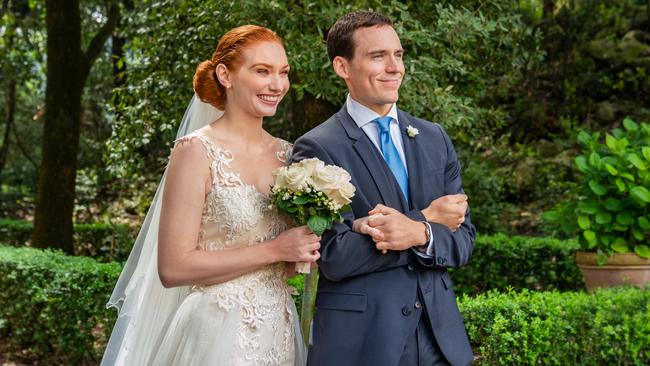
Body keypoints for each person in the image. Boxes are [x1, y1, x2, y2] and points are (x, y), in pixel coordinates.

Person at [101, 25, 318, 366]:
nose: (277, 85)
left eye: (283, 72)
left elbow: (289, 257)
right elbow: (173, 267)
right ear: (225, 75)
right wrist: (275, 249)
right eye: (262, 71)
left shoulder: (290, 157)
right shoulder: (196, 151)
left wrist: (301, 251)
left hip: (279, 329)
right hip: (216, 332)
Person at [292, 11, 475, 366]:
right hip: (365, 343)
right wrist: (426, 221)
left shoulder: (434, 138)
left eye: (399, 55)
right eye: (378, 56)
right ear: (342, 67)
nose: (395, 67)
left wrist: (417, 231)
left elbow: (464, 240)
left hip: (442, 343)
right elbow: (334, 256)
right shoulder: (316, 148)